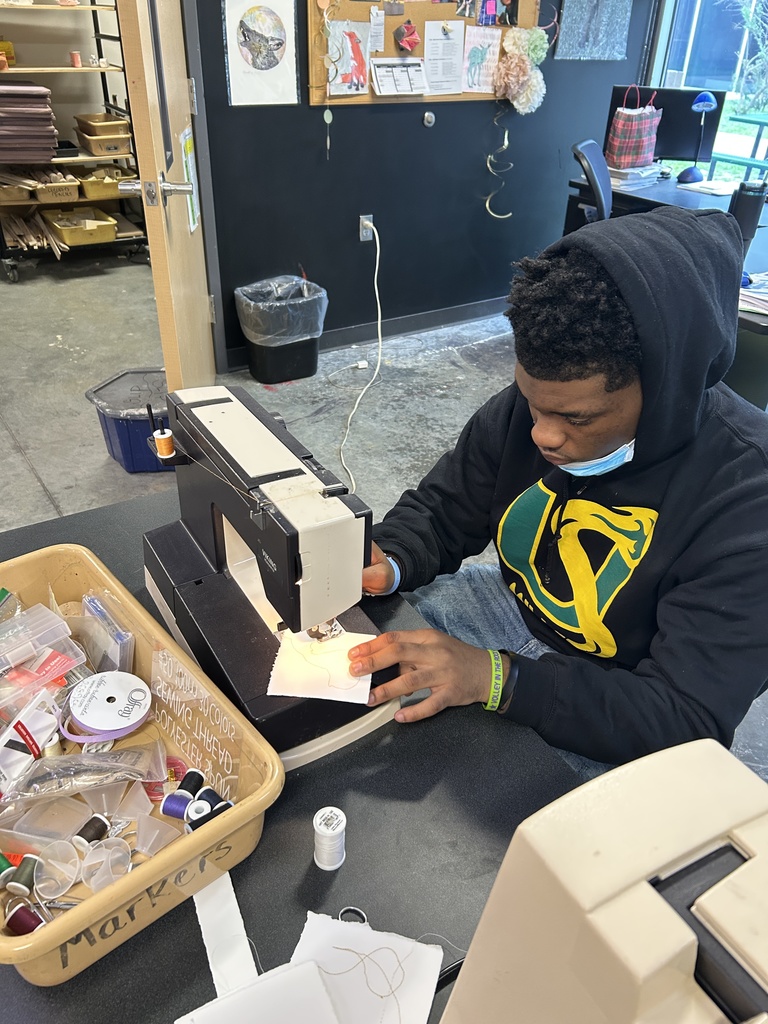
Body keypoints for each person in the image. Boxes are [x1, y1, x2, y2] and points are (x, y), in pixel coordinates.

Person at [347, 206, 768, 773]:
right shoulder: (532, 407)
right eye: (531, 400)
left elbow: (683, 717)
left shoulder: (746, 502)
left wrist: (497, 679)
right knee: (357, 683)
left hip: (623, 688)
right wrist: (390, 556)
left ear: (668, 388)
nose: (542, 434)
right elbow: (444, 510)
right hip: (507, 607)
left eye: (579, 419)